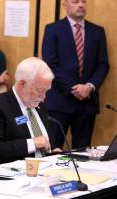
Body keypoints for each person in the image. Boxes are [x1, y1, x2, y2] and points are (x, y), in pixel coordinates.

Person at [42, 0, 109, 149]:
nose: (81, 5)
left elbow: (103, 64)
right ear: (65, 4)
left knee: (82, 153)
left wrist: (89, 87)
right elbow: (50, 64)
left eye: (83, 1)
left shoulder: (97, 32)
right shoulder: (53, 30)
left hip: (87, 103)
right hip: (59, 101)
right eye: (75, 1)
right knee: (52, 150)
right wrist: (75, 88)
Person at [0, 57, 60, 167]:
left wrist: (54, 152)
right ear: (22, 84)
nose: (43, 97)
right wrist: (32, 143)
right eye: (40, 90)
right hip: (15, 174)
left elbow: (46, 142)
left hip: (47, 170)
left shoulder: (39, 105)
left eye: (46, 91)